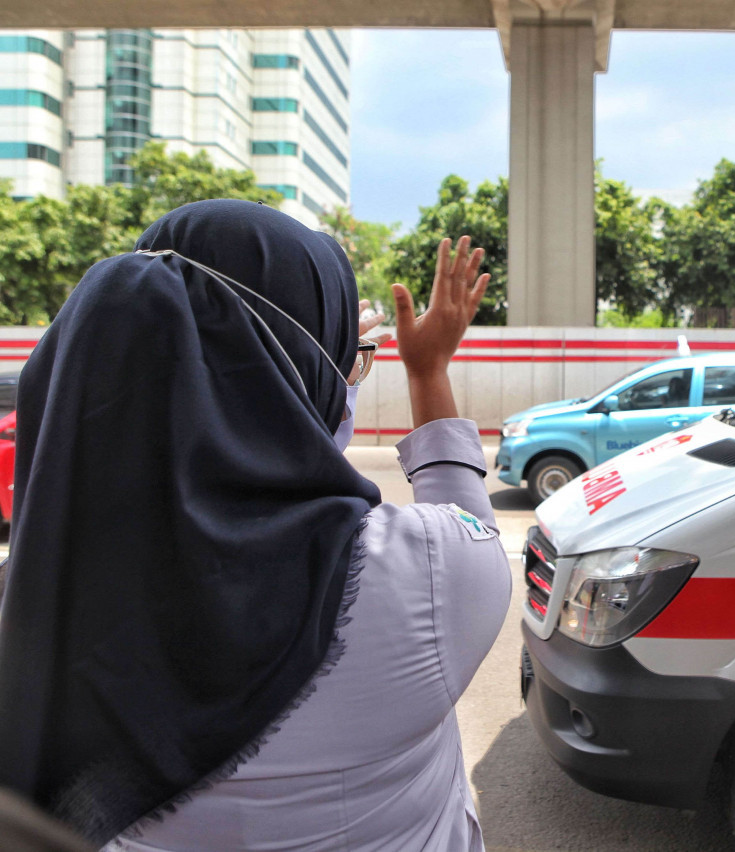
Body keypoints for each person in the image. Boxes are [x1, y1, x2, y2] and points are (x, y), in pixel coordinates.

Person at [0, 200, 512, 851]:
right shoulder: (423, 577)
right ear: (299, 370)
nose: (351, 381)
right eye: (350, 357)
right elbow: (467, 515)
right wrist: (427, 371)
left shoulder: (34, 602)